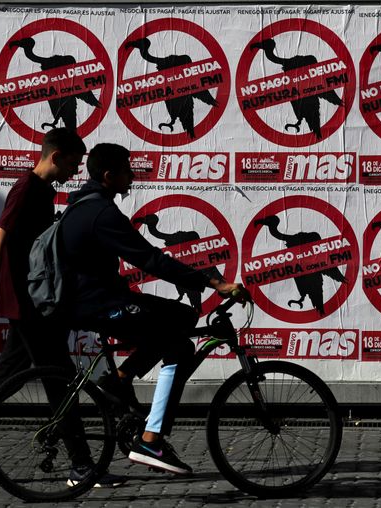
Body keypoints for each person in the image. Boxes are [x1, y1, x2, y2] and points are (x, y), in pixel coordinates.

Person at [0, 129, 124, 488]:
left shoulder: (43, 191)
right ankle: (80, 466)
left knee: (3, 382)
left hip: (32, 303)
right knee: (59, 382)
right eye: (74, 164)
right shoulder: (26, 189)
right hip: (30, 306)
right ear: (56, 156)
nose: (76, 172)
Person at [59, 143, 243, 475]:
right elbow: (149, 259)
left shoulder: (84, 205)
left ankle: (121, 380)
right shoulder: (100, 212)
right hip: (98, 306)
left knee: (181, 325)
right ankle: (150, 439)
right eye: (127, 172)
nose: (132, 178)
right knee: (181, 335)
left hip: (98, 300)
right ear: (108, 175)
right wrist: (212, 282)